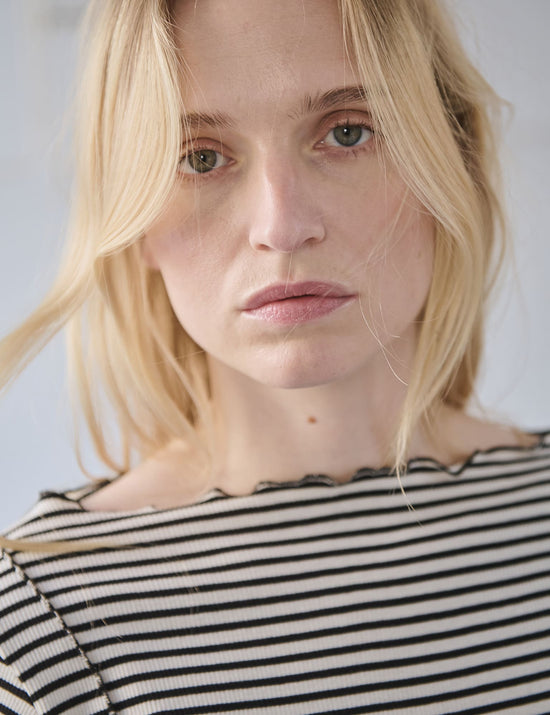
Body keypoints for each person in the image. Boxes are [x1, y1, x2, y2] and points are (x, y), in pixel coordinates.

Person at [0, 0, 548, 712]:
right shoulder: (36, 629)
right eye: (200, 157)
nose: (281, 226)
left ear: (455, 159)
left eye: (348, 132)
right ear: (132, 221)